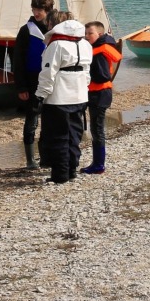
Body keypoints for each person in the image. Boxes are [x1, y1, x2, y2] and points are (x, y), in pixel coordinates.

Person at [35, 14, 91, 184]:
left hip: (59, 98)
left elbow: (48, 72)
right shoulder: (85, 43)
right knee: (74, 134)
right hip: (80, 94)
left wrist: (40, 95)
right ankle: (72, 169)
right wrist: (84, 89)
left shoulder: (56, 45)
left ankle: (60, 175)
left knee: (58, 136)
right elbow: (87, 72)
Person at [12, 0, 56, 169]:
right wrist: (21, 86)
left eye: (40, 10)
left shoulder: (56, 28)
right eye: (34, 9)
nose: (37, 13)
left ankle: (45, 157)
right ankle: (30, 160)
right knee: (32, 120)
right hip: (31, 81)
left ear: (48, 10)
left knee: (50, 119)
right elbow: (18, 60)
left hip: (52, 81)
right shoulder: (26, 30)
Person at [82, 21, 121, 174]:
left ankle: (99, 164)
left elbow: (103, 75)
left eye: (89, 33)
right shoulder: (101, 48)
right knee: (96, 129)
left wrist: (88, 77)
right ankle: (97, 162)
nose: (86, 36)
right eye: (85, 33)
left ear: (99, 34)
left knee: (97, 129)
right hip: (100, 93)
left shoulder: (100, 51)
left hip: (100, 94)